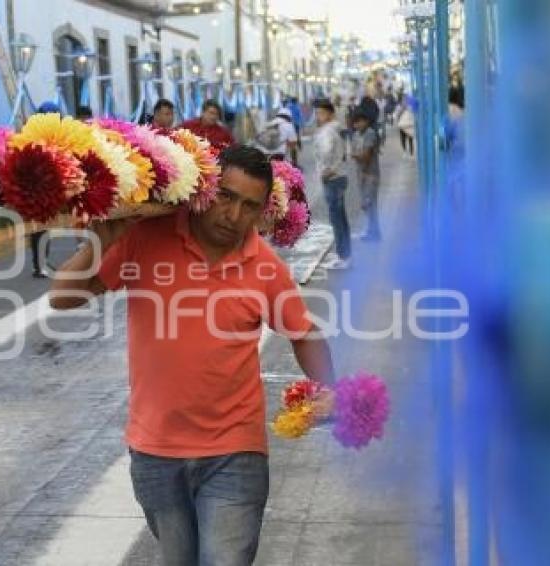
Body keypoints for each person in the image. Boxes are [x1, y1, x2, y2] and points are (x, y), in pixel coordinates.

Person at [49, 144, 336, 565]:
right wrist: (101, 240)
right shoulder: (146, 239)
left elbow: (304, 332)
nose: (233, 215)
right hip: (155, 450)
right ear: (206, 189)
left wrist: (330, 387)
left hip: (235, 451)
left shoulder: (264, 265)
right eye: (226, 196)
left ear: (261, 212)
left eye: (248, 206)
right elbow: (63, 297)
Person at [314, 98, 351, 269]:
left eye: (321, 113)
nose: (318, 116)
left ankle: (343, 256)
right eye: (317, 113)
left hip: (332, 178)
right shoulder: (337, 129)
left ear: (330, 114)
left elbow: (327, 151)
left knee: (336, 218)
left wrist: (326, 170)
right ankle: (345, 254)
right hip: (339, 176)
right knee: (340, 217)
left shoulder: (328, 131)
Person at [29, 101, 63, 277]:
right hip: (37, 185)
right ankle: (39, 264)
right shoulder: (35, 136)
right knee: (40, 227)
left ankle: (41, 262)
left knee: (43, 226)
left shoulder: (48, 135)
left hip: (43, 185)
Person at [350, 110, 382, 241]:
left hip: (371, 174)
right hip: (361, 173)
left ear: (366, 121)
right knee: (365, 204)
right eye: (355, 122)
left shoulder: (370, 133)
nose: (357, 125)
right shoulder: (356, 135)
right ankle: (372, 230)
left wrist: (357, 155)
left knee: (369, 204)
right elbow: (356, 153)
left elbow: (366, 156)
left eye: (359, 121)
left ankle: (374, 232)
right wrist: (358, 155)